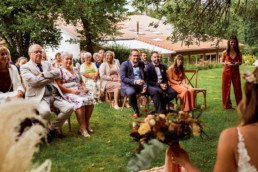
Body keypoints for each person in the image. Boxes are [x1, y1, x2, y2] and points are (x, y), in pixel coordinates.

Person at [170, 67, 258, 172]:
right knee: (187, 90)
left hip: (182, 87)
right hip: (176, 86)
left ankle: (189, 109)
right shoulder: (171, 69)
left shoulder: (234, 137)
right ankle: (188, 109)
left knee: (189, 90)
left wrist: (185, 162)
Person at [20, 44, 73, 138]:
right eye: (36, 52)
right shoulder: (25, 67)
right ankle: (39, 131)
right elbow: (34, 82)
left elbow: (58, 73)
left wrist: (43, 75)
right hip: (39, 97)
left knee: (69, 108)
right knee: (45, 112)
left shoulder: (47, 63)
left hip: (53, 94)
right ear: (30, 54)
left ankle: (52, 130)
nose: (39, 54)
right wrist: (50, 78)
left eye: (40, 51)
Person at [56, 52, 95, 138]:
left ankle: (86, 124)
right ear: (62, 60)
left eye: (70, 59)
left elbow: (81, 81)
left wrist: (84, 88)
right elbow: (58, 85)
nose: (69, 61)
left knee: (90, 99)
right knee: (79, 100)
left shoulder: (75, 69)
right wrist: (71, 91)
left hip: (79, 91)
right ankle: (82, 128)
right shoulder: (59, 71)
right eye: (67, 59)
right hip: (67, 93)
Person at [120, 49, 147, 118]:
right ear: (130, 56)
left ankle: (157, 110)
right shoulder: (124, 64)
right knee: (131, 92)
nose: (136, 57)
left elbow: (145, 76)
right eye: (134, 55)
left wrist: (145, 86)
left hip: (140, 84)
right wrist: (135, 81)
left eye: (137, 56)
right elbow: (123, 78)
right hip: (128, 84)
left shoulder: (141, 63)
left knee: (154, 90)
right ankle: (136, 111)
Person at [221, 35, 242, 109]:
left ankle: (240, 105)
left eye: (234, 42)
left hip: (236, 71)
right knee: (226, 88)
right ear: (229, 42)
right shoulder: (225, 52)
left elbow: (241, 62)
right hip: (227, 71)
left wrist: (237, 63)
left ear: (236, 43)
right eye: (231, 42)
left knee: (237, 88)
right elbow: (221, 62)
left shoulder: (239, 52)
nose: (233, 44)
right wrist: (226, 63)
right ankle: (227, 105)